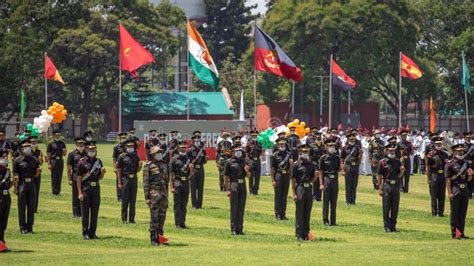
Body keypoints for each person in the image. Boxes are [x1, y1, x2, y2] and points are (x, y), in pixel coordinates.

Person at [77, 141, 106, 240]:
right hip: (86, 189)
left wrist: (102, 173)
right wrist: (80, 192)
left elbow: (100, 177)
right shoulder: (82, 162)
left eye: (93, 149)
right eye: (90, 149)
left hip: (96, 189)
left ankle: (93, 232)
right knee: (85, 212)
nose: (92, 151)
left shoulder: (98, 161)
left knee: (95, 211)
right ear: (86, 150)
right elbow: (79, 178)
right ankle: (85, 232)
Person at [291, 144, 320, 241]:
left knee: (307, 212)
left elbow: (312, 180)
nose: (305, 153)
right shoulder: (296, 164)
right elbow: (293, 180)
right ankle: (299, 234)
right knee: (300, 212)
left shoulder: (311, 164)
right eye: (303, 152)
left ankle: (306, 233)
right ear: (300, 152)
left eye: (306, 152)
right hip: (300, 188)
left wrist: (316, 177)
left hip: (308, 188)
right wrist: (294, 193)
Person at [13, 139, 41, 233]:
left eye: (29, 146)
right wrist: (15, 187)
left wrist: (37, 173)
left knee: (31, 207)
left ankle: (30, 227)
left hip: (32, 184)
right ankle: (22, 227)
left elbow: (36, 173)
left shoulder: (34, 159)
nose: (28, 148)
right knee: (21, 207)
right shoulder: (17, 161)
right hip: (22, 185)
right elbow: (15, 175)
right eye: (26, 147)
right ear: (21, 149)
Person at [445, 144, 472, 239]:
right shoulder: (450, 164)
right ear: (454, 151)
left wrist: (470, 176)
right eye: (459, 151)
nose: (461, 152)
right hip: (455, 189)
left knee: (462, 213)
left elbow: (468, 180)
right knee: (455, 213)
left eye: (462, 151)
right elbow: (448, 180)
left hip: (464, 189)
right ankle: (455, 233)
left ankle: (461, 233)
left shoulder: (466, 163)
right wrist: (449, 192)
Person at [143, 146, 169, 245]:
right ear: (153, 155)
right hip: (154, 193)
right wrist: (147, 197)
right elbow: (146, 183)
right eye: (157, 153)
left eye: (160, 152)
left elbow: (166, 181)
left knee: (162, 216)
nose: (160, 154)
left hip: (163, 194)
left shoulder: (164, 164)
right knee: (154, 217)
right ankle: (153, 238)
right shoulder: (148, 166)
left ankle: (161, 238)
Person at [377, 144, 405, 232]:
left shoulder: (398, 162)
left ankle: (393, 226)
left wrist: (402, 172)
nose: (392, 152)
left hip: (395, 185)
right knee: (386, 206)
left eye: (393, 150)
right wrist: (380, 188)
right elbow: (379, 175)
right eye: (390, 150)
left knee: (395, 207)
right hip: (387, 185)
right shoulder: (382, 162)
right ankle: (387, 226)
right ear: (386, 151)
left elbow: (399, 175)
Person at [224, 144, 249, 235]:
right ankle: (234, 229)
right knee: (234, 208)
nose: (238, 152)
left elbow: (249, 176)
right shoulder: (229, 162)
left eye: (240, 150)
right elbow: (226, 177)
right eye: (236, 150)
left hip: (243, 184)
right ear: (233, 152)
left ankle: (240, 228)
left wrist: (247, 171)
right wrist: (227, 189)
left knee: (241, 208)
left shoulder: (244, 161)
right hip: (234, 184)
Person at [117, 139, 142, 224]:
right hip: (125, 179)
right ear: (125, 147)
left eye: (132, 146)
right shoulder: (122, 156)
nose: (130, 147)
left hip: (134, 179)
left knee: (133, 200)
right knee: (125, 200)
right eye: (128, 146)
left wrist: (139, 167)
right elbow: (119, 170)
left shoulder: (135, 155)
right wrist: (119, 182)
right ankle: (124, 219)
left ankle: (132, 219)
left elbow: (137, 169)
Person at [169, 141, 193, 229]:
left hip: (186, 183)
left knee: (184, 204)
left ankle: (183, 222)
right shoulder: (174, 159)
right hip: (177, 182)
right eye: (182, 147)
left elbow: (191, 175)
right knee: (177, 204)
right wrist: (171, 187)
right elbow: (171, 174)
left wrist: (191, 169)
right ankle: (177, 223)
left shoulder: (188, 159)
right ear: (178, 148)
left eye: (184, 147)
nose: (183, 149)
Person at [426, 136, 450, 217]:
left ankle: (441, 212)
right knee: (434, 195)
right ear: (434, 144)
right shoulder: (431, 154)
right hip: (434, 175)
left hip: (442, 176)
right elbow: (428, 167)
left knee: (442, 195)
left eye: (440, 144)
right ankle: (434, 213)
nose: (439, 146)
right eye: (437, 144)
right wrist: (428, 179)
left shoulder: (445, 154)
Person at [319, 139, 341, 226]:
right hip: (326, 179)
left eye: (333, 146)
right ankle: (325, 220)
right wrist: (321, 184)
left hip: (334, 179)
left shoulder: (337, 158)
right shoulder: (323, 158)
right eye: (330, 146)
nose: (332, 148)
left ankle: (333, 221)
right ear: (326, 147)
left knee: (334, 201)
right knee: (326, 201)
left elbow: (339, 169)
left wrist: (342, 168)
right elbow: (320, 171)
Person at [271, 139, 292, 220]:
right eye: (280, 144)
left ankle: (283, 213)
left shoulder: (288, 154)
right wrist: (273, 180)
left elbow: (290, 168)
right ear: (277, 145)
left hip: (286, 175)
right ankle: (278, 214)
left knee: (284, 195)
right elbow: (272, 169)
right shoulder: (274, 155)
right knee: (278, 195)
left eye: (283, 144)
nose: (282, 146)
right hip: (278, 175)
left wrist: (291, 164)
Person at [67, 137, 87, 218]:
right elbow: (69, 168)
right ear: (76, 144)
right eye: (79, 143)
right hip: (75, 177)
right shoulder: (72, 154)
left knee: (85, 196)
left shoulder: (87, 154)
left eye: (82, 143)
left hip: (85, 178)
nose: (81, 144)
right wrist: (69, 179)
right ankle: (76, 214)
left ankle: (83, 213)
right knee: (76, 196)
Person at [341, 133, 362, 205]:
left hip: (355, 167)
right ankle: (348, 201)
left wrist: (360, 155)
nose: (352, 140)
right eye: (350, 139)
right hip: (348, 167)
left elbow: (359, 160)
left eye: (353, 139)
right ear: (347, 139)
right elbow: (342, 159)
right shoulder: (344, 148)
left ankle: (353, 201)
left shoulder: (357, 148)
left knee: (354, 185)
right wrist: (342, 169)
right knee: (348, 185)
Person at [188, 135, 208, 209]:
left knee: (200, 187)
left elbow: (204, 161)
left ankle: (199, 205)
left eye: (198, 140)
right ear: (193, 141)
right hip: (193, 169)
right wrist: (191, 162)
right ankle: (194, 204)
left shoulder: (202, 150)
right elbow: (187, 160)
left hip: (200, 169)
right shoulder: (190, 150)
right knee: (193, 187)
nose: (197, 141)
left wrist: (206, 159)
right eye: (196, 140)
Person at [46, 129, 67, 195]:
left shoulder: (62, 143)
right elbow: (48, 154)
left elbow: (64, 154)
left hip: (60, 160)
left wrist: (64, 152)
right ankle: (53, 191)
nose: (58, 136)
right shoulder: (50, 143)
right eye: (56, 134)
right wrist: (49, 163)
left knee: (59, 176)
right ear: (53, 135)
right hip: (53, 160)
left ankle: (58, 191)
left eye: (59, 134)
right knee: (54, 176)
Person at [308, 130, 325, 201]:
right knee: (315, 180)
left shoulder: (323, 146)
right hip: (314, 164)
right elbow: (310, 156)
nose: (318, 138)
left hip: (321, 165)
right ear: (315, 137)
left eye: (319, 137)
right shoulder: (312, 146)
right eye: (317, 136)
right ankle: (314, 196)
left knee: (321, 180)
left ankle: (319, 197)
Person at [245, 130, 263, 195]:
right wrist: (247, 163)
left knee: (257, 176)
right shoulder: (248, 143)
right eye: (253, 135)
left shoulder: (259, 143)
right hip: (251, 160)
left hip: (257, 160)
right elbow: (246, 153)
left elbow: (261, 151)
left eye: (255, 135)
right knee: (251, 176)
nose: (254, 137)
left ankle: (256, 190)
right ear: (251, 136)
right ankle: (251, 191)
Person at [29, 136, 43, 213]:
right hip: (29, 173)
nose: (33, 143)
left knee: (36, 191)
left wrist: (40, 160)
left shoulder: (39, 151)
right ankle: (29, 208)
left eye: (34, 142)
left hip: (37, 172)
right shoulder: (27, 152)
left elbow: (41, 163)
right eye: (32, 142)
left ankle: (35, 209)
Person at [0, 155, 12, 247]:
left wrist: (13, 183)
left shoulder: (7, 171)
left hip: (6, 197)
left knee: (4, 222)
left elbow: (7, 185)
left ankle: (2, 243)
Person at [112, 132, 128, 201]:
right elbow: (114, 158)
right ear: (119, 138)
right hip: (119, 167)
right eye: (122, 138)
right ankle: (120, 197)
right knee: (119, 181)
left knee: (126, 182)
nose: (123, 139)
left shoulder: (128, 146)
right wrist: (114, 167)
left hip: (126, 167)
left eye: (124, 138)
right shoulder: (116, 147)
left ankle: (126, 196)